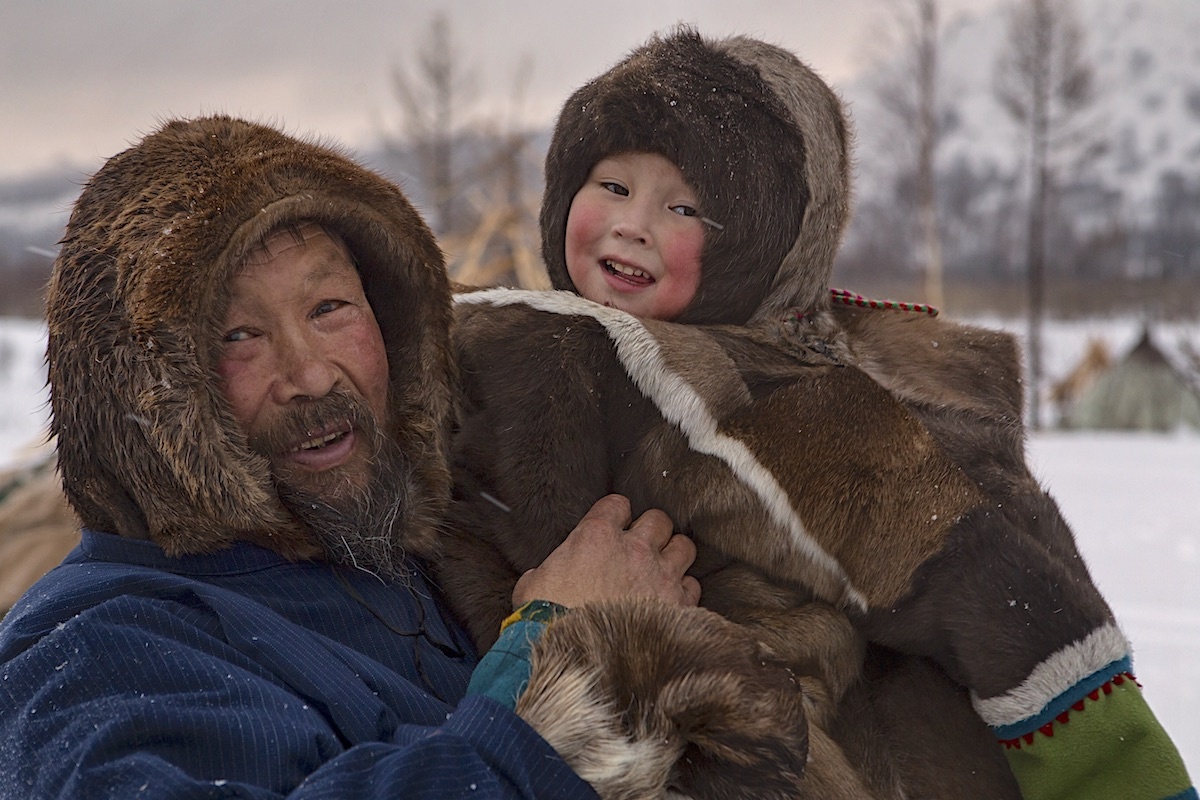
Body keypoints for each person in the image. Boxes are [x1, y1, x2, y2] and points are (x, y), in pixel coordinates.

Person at [446, 27, 1197, 800]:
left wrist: (1124, 776)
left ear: (765, 247)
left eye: (683, 206)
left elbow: (1003, 590)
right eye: (611, 186)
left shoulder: (790, 407)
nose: (632, 223)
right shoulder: (494, 344)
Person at [0, 115, 819, 800]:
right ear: (141, 393)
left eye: (330, 307)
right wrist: (561, 653)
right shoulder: (95, 654)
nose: (313, 374)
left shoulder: (414, 545)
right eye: (237, 336)